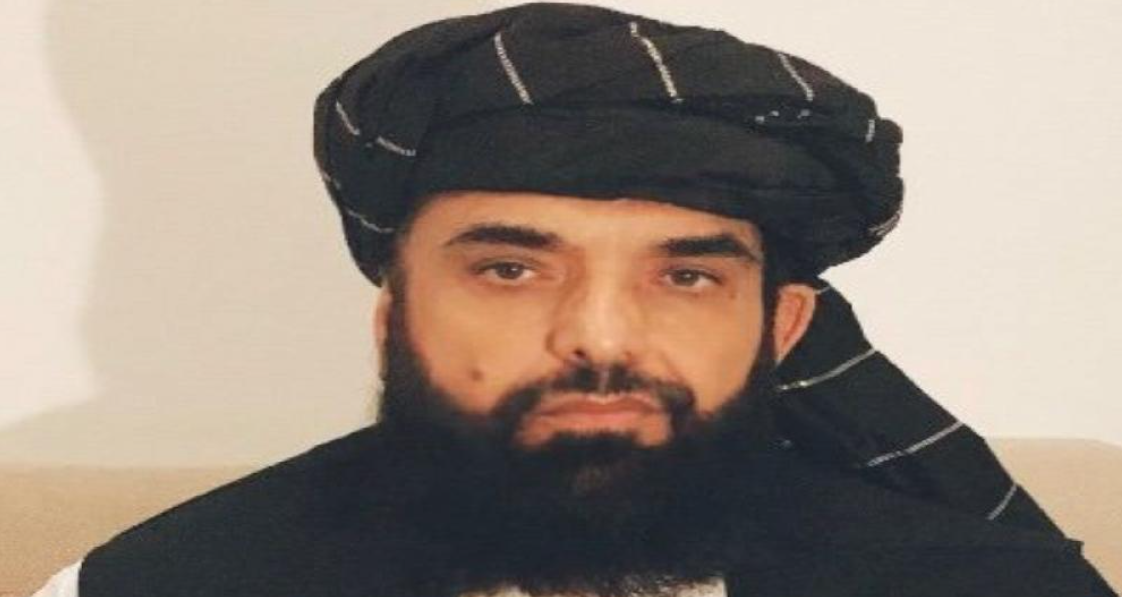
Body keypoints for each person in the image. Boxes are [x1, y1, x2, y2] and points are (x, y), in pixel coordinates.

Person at [31, 3, 1116, 596]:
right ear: (395, 317)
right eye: (512, 269)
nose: (599, 337)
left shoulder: (984, 587)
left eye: (685, 276)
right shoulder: (152, 588)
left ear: (781, 327)